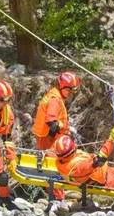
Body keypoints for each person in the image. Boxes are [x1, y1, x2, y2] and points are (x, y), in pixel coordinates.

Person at [31, 71, 81, 201]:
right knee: (54, 167)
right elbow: (52, 123)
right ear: (63, 87)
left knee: (52, 165)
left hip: (47, 136)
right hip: (48, 138)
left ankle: (56, 195)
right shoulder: (55, 100)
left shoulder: (54, 95)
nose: (71, 93)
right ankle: (58, 199)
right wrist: (66, 128)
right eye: (69, 90)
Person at [54, 127, 114, 192]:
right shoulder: (77, 167)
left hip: (107, 172)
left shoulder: (62, 161)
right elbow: (99, 160)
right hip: (105, 181)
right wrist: (111, 140)